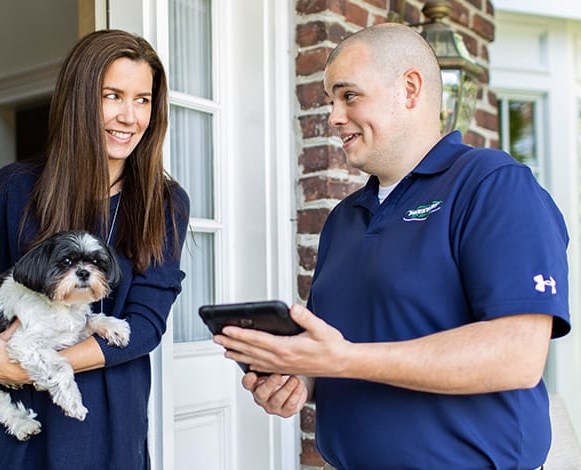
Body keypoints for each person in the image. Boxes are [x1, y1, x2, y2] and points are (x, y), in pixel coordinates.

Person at [214, 23, 570, 469]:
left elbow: (517, 356)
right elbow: (341, 348)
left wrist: (343, 360)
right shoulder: (343, 219)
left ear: (410, 89)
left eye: (348, 95)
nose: (334, 117)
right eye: (330, 100)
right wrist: (298, 378)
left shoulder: (492, 184)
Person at [0, 30, 189, 470]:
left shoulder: (164, 203)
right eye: (112, 95)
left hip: (107, 425)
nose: (130, 116)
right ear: (79, 99)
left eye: (143, 100)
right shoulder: (15, 188)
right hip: (12, 440)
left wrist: (33, 369)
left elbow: (146, 325)